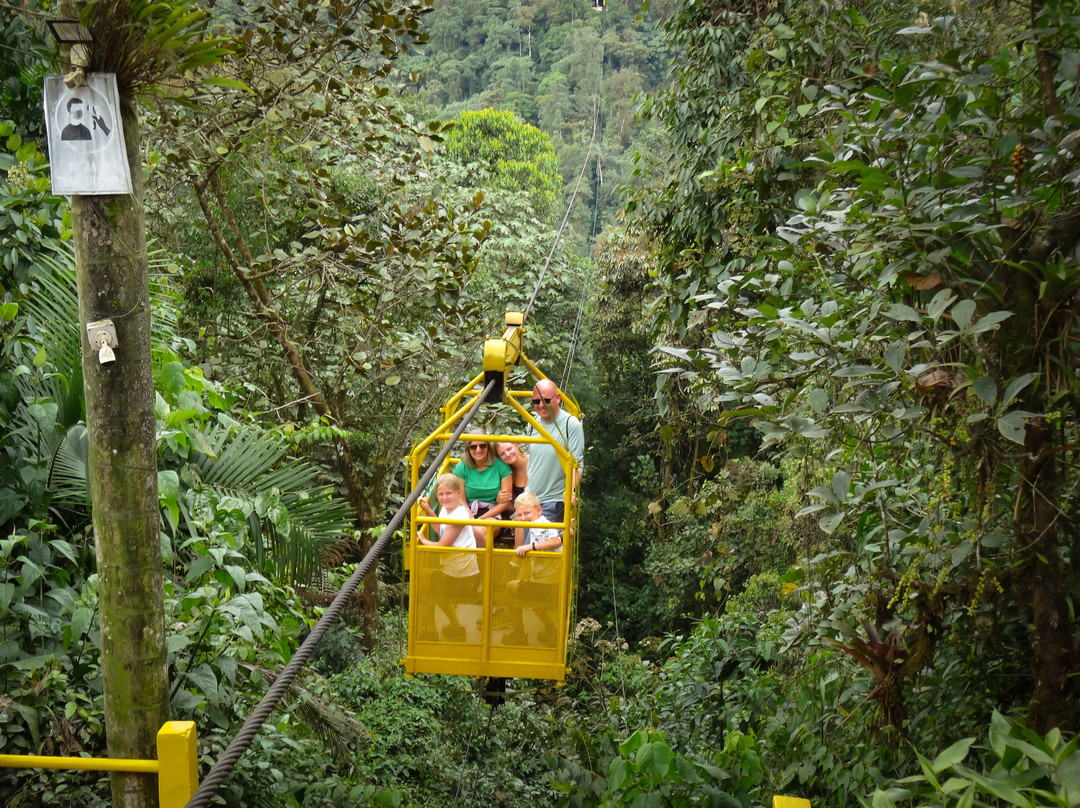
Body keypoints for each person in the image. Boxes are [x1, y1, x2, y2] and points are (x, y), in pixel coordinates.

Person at [415, 474, 478, 642]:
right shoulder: (447, 509)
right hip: (453, 571)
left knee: (428, 590)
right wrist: (429, 510)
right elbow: (442, 530)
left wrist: (423, 541)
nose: (444, 498)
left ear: (459, 493)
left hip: (464, 576)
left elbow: (443, 544)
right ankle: (455, 626)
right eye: (441, 494)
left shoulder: (459, 515)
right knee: (429, 587)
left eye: (449, 493)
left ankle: (432, 631)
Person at [524, 379, 584, 534]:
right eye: (536, 401)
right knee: (521, 550)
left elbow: (578, 466)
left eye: (546, 400)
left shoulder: (570, 425)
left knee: (538, 549)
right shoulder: (532, 423)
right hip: (529, 498)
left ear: (558, 398)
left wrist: (569, 491)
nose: (541, 406)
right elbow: (532, 460)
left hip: (553, 500)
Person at [504, 492, 562, 646]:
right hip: (543, 582)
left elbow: (556, 541)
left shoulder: (541, 527)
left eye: (527, 513)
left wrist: (531, 546)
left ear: (539, 511)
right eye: (520, 515)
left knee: (509, 589)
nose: (523, 518)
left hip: (547, 585)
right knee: (527, 592)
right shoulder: (538, 525)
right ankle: (550, 630)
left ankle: (519, 633)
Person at [453, 433, 512, 547]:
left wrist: (481, 519)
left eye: (482, 446)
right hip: (468, 511)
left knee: (478, 531)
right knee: (456, 528)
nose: (478, 450)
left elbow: (505, 501)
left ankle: (481, 564)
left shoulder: (501, 466)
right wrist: (471, 519)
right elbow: (461, 501)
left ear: (488, 447)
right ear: (468, 449)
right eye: (473, 447)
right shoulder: (462, 467)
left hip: (493, 513)